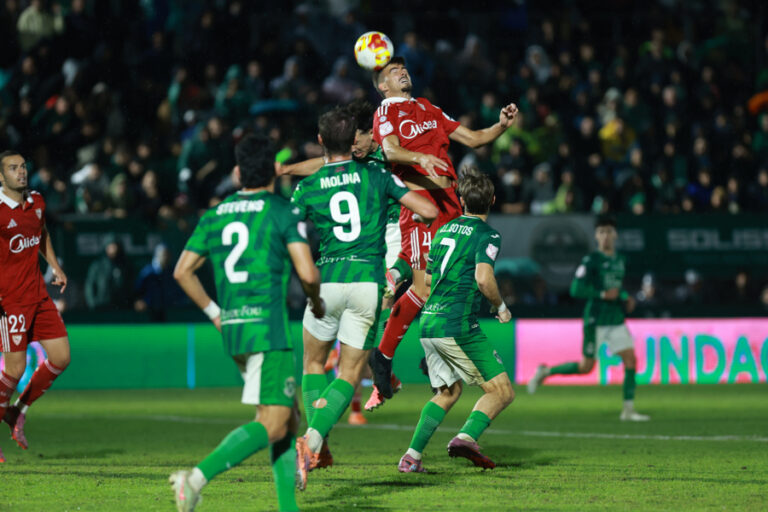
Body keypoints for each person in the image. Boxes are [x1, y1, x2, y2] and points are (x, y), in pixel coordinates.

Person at [169, 134, 324, 512]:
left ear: (238, 172)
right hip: (267, 330)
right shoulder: (281, 211)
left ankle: (289, 508)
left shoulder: (215, 214)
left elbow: (182, 271)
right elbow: (308, 273)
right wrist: (316, 300)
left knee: (286, 421)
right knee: (274, 423)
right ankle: (195, 479)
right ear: (274, 170)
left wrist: (215, 313)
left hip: (235, 328)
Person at [290, 107, 437, 490]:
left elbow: (287, 231)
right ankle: (316, 442)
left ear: (322, 143)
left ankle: (315, 441)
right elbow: (427, 209)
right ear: (352, 140)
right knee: (351, 373)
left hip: (328, 278)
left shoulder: (311, 184)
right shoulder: (375, 174)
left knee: (312, 364)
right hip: (367, 284)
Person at [366, 56, 518, 410]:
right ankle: (383, 358)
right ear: (383, 86)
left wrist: (501, 126)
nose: (402, 72)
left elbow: (475, 138)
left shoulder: (428, 108)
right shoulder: (386, 112)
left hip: (451, 205)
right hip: (420, 207)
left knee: (455, 284)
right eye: (393, 71)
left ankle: (433, 357)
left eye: (404, 68)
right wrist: (420, 160)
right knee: (423, 287)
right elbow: (389, 151)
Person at [398, 169, 514, 472]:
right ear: (492, 200)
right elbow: (483, 277)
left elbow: (427, 281)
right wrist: (500, 306)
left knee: (448, 392)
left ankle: (411, 457)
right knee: (501, 391)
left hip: (429, 321)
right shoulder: (488, 234)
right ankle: (465, 437)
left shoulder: (443, 231)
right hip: (457, 323)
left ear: (461, 200)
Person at [527, 215, 650, 422]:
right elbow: (576, 289)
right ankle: (546, 371)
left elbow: (615, 288)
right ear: (596, 236)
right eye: (601, 232)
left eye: (609, 232)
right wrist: (602, 294)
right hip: (595, 320)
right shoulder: (590, 260)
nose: (606, 236)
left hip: (616, 319)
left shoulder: (620, 260)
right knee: (586, 367)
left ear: (615, 235)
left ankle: (628, 410)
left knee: (631, 360)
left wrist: (624, 297)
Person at [0, 150, 71, 463]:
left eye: (23, 167)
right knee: (14, 369)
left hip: (38, 297)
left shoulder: (37, 201)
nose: (21, 172)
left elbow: (40, 234)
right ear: (1, 177)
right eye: (13, 168)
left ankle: (18, 410)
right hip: (10, 301)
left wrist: (54, 266)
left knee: (61, 357)